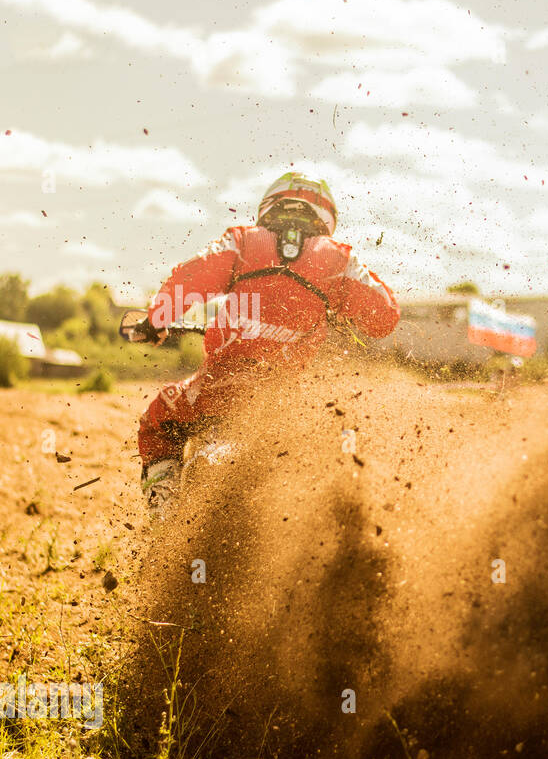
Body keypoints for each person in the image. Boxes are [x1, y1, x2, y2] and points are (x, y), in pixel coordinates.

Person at [136, 172, 400, 509]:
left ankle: (164, 516)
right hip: (283, 405)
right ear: (325, 215)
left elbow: (192, 276)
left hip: (217, 387)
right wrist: (336, 303)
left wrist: (156, 319)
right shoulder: (340, 259)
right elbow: (385, 317)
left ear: (271, 203)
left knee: (156, 423)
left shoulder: (243, 241)